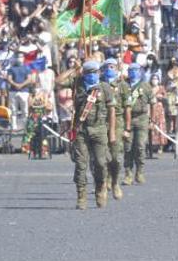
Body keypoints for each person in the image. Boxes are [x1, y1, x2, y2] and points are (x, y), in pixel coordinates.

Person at [64, 60, 116, 210]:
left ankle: (100, 188)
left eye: (95, 72)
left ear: (99, 73)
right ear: (84, 74)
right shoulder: (77, 83)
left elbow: (112, 110)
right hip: (81, 130)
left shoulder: (105, 88)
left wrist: (112, 132)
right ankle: (81, 195)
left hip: (99, 130)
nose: (92, 75)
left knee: (100, 163)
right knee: (81, 164)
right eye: (89, 73)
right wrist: (74, 68)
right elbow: (59, 82)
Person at [102, 58, 130, 200]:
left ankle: (115, 182)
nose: (109, 69)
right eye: (107, 67)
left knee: (116, 157)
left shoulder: (123, 85)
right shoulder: (100, 85)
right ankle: (105, 180)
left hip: (118, 122)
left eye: (112, 67)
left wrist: (127, 128)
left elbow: (127, 107)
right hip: (101, 122)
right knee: (102, 156)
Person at [124, 63, 154, 185]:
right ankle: (128, 174)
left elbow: (152, 103)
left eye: (136, 70)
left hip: (142, 118)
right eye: (131, 70)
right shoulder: (124, 86)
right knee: (128, 147)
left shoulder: (145, 86)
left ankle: (140, 172)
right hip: (128, 119)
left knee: (140, 146)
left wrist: (151, 120)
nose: (133, 72)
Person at [7, 55, 33, 131]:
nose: (19, 59)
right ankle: (14, 126)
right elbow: (9, 79)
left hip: (23, 92)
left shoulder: (27, 68)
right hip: (15, 91)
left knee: (24, 110)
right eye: (17, 57)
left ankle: (24, 126)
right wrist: (17, 85)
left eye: (20, 57)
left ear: (23, 58)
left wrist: (20, 85)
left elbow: (29, 79)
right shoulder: (11, 69)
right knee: (14, 110)